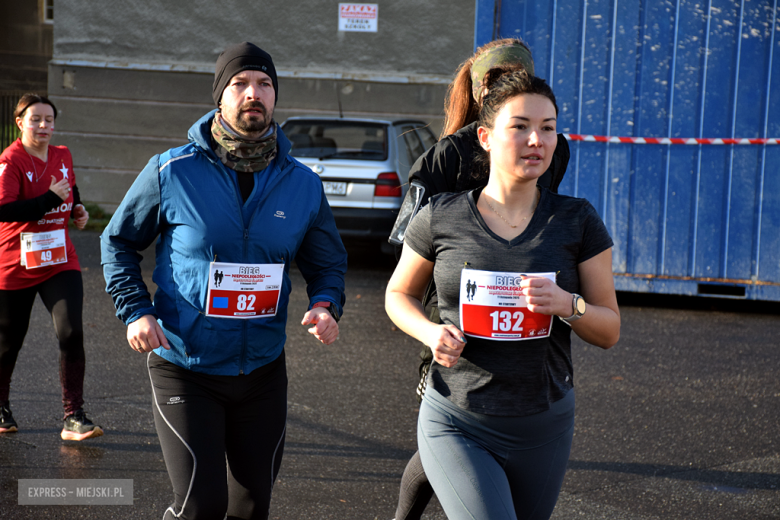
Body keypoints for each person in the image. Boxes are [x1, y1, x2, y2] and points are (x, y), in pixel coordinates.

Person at [101, 42, 347, 520]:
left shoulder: (302, 183)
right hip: (186, 365)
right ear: (220, 96)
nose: (253, 93)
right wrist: (136, 311)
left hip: (262, 371)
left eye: (265, 83)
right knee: (202, 505)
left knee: (252, 507)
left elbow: (328, 262)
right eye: (240, 83)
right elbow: (118, 242)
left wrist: (325, 303)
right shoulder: (172, 171)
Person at [385, 69, 620, 519]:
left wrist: (568, 305)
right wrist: (430, 332)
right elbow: (398, 294)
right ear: (486, 137)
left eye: (548, 128)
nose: (537, 140)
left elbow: (609, 330)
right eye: (521, 126)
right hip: (456, 418)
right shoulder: (441, 216)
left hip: (545, 425)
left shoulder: (578, 221)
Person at [0, 94, 100, 440]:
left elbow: (69, 188)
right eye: (35, 119)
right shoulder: (10, 160)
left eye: (49, 120)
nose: (43, 126)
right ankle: (1, 405)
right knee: (8, 341)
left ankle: (74, 416)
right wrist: (50, 200)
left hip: (59, 258)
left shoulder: (62, 154)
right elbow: (4, 210)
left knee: (71, 331)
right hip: (16, 261)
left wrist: (77, 208)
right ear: (20, 123)